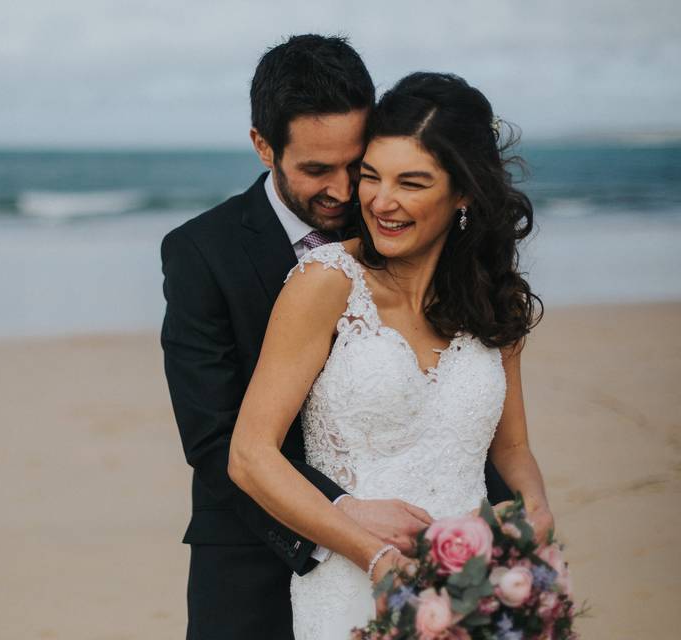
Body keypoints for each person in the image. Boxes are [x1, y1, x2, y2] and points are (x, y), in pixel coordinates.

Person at [161, 36, 513, 639]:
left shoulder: (397, 216)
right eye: (316, 170)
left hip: (425, 556)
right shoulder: (202, 252)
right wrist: (343, 513)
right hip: (255, 558)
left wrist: (503, 534)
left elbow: (452, 397)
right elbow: (215, 439)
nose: (349, 191)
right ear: (262, 146)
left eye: (358, 163)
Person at [227, 71, 555, 639]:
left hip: (472, 584)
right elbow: (250, 456)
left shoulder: (493, 299)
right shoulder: (324, 283)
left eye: (412, 182)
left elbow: (514, 446)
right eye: (371, 176)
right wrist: (375, 559)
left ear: (464, 192)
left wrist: (534, 505)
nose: (382, 201)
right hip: (353, 583)